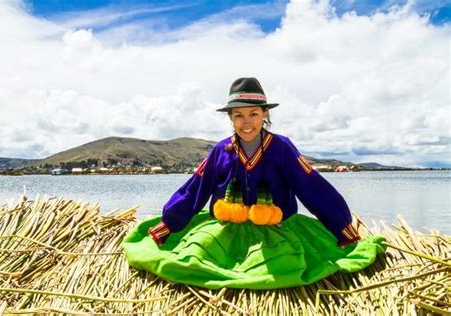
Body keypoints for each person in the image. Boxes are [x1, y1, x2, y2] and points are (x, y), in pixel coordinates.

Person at [123, 77, 386, 290]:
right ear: (230, 118)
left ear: (265, 115)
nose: (246, 122)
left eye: (253, 114)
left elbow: (311, 185)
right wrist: (169, 223)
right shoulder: (221, 151)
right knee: (192, 262)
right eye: (238, 115)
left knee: (277, 268)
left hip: (277, 227)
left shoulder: (281, 147)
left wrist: (341, 226)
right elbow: (196, 188)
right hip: (227, 227)